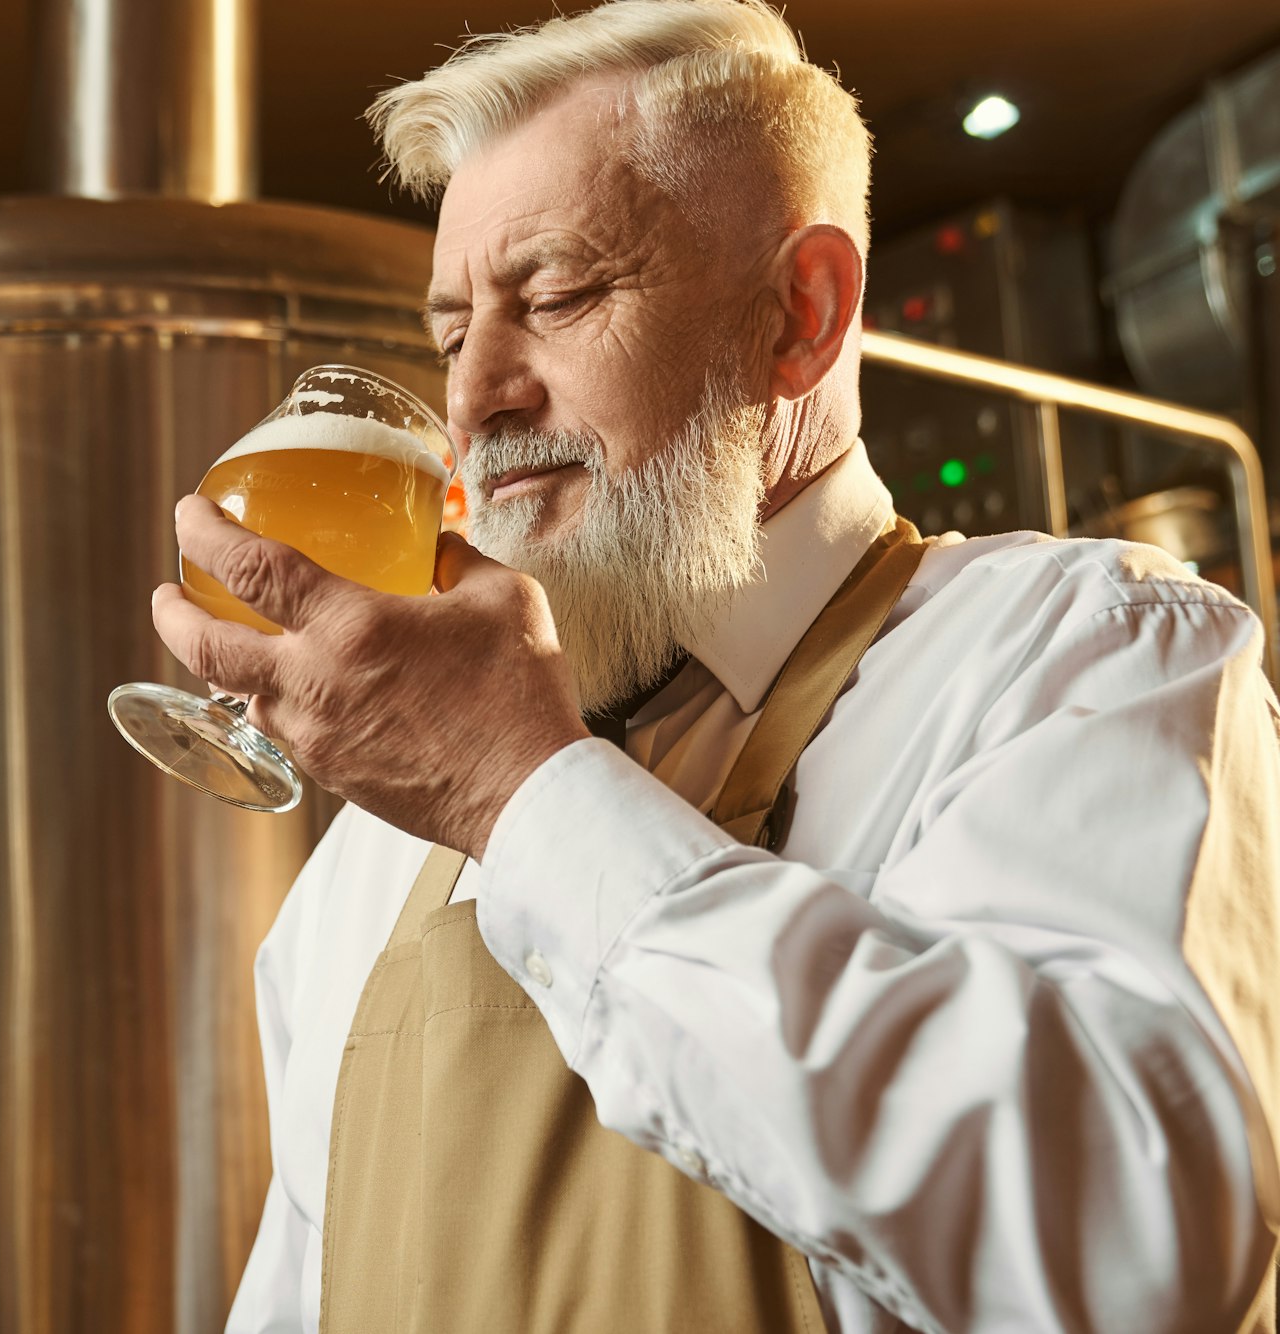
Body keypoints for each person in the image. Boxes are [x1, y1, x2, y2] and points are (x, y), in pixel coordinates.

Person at [151, 1, 1280, 1329]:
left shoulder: (1083, 656)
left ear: (802, 315)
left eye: (557, 294)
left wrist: (523, 792)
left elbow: (1133, 1249)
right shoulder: (368, 860)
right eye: (454, 333)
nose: (474, 400)